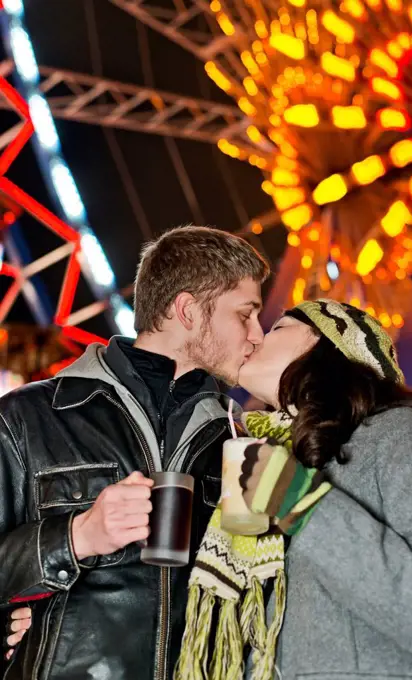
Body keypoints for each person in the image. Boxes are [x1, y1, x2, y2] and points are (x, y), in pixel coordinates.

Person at [0, 225, 268, 680]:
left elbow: (260, 595)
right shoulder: (28, 417)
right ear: (187, 309)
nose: (257, 335)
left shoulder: (241, 440)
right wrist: (77, 536)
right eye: (246, 315)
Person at [175, 299, 412, 680]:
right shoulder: (268, 456)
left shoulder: (399, 431)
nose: (254, 337)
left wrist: (300, 502)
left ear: (330, 345)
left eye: (276, 328)